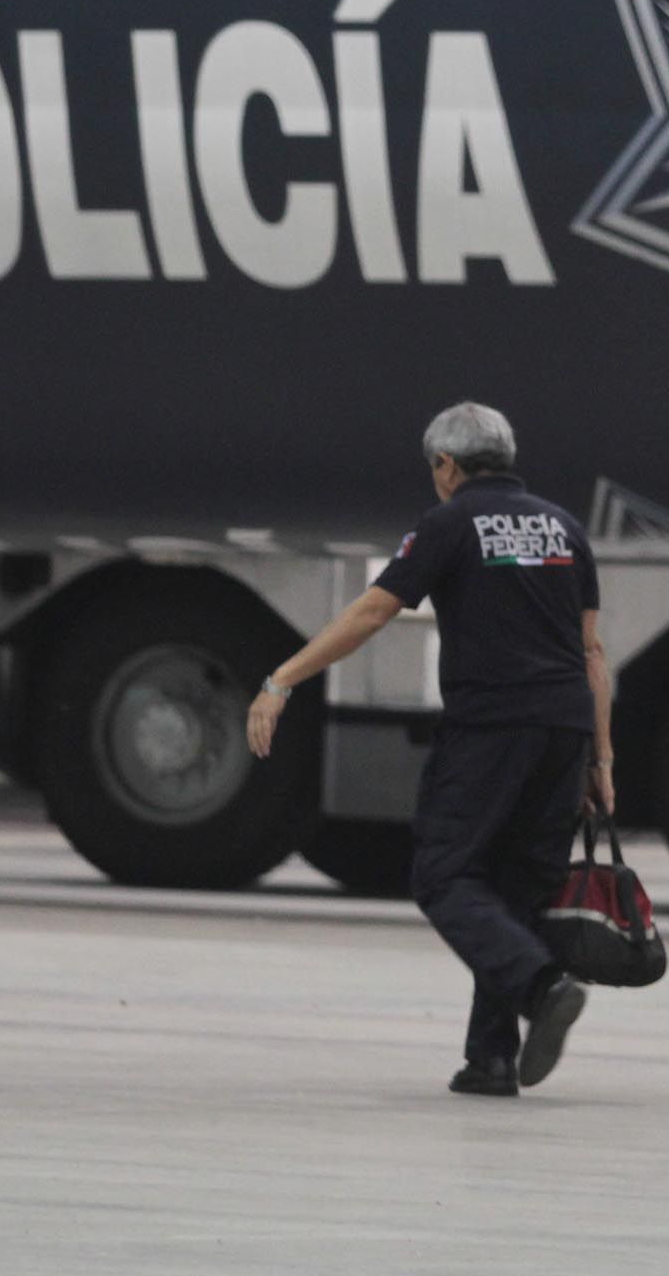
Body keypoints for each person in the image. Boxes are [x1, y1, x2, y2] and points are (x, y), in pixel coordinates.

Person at [244, 403, 614, 1098]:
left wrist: (281, 680)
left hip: (492, 727)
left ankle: (541, 987)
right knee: (514, 893)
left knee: (443, 876)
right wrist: (602, 760)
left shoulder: (449, 523)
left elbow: (374, 611)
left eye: (433, 468)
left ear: (447, 465)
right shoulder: (564, 529)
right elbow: (592, 654)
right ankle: (492, 1059)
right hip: (564, 730)